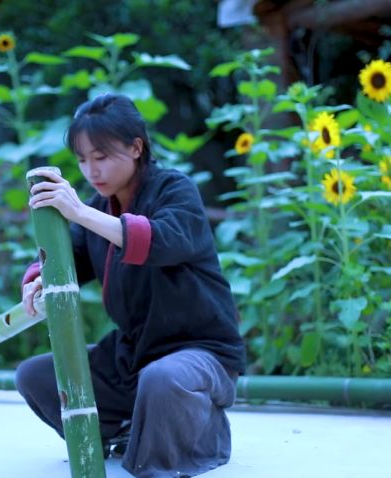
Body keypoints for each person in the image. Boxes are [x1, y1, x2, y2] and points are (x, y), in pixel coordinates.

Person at [16, 93, 246, 478]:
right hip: (133, 358)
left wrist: (80, 212)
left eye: (101, 157)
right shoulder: (99, 209)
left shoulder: (176, 190)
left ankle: (202, 432)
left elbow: (159, 239)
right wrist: (36, 280)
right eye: (82, 160)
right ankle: (126, 431)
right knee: (35, 376)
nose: (91, 170)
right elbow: (67, 259)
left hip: (199, 355)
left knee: (163, 379)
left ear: (136, 147)